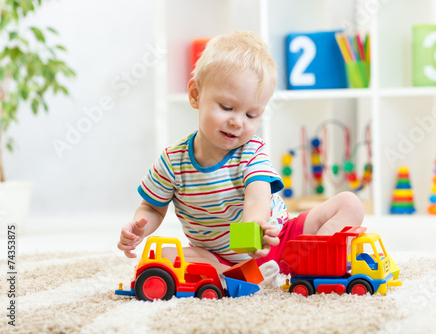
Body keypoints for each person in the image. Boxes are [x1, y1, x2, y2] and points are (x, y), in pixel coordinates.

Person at [117, 30, 364, 273]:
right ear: (195, 95)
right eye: (227, 107)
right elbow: (152, 207)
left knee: (350, 203)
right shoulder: (172, 161)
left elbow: (257, 197)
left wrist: (255, 226)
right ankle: (238, 275)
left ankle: (315, 260)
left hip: (280, 241)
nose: (238, 122)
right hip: (217, 257)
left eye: (251, 115)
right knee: (160, 255)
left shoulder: (252, 151)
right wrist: (139, 228)